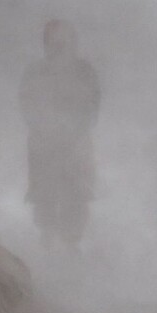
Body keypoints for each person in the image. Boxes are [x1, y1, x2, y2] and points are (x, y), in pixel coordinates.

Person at [19, 19, 101, 249]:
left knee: (77, 190)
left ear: (73, 43)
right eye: (53, 43)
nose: (58, 48)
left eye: (63, 42)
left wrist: (76, 129)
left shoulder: (84, 71)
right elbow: (25, 102)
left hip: (76, 141)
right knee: (45, 190)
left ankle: (72, 241)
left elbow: (93, 104)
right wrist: (41, 126)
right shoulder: (36, 72)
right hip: (43, 141)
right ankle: (47, 235)